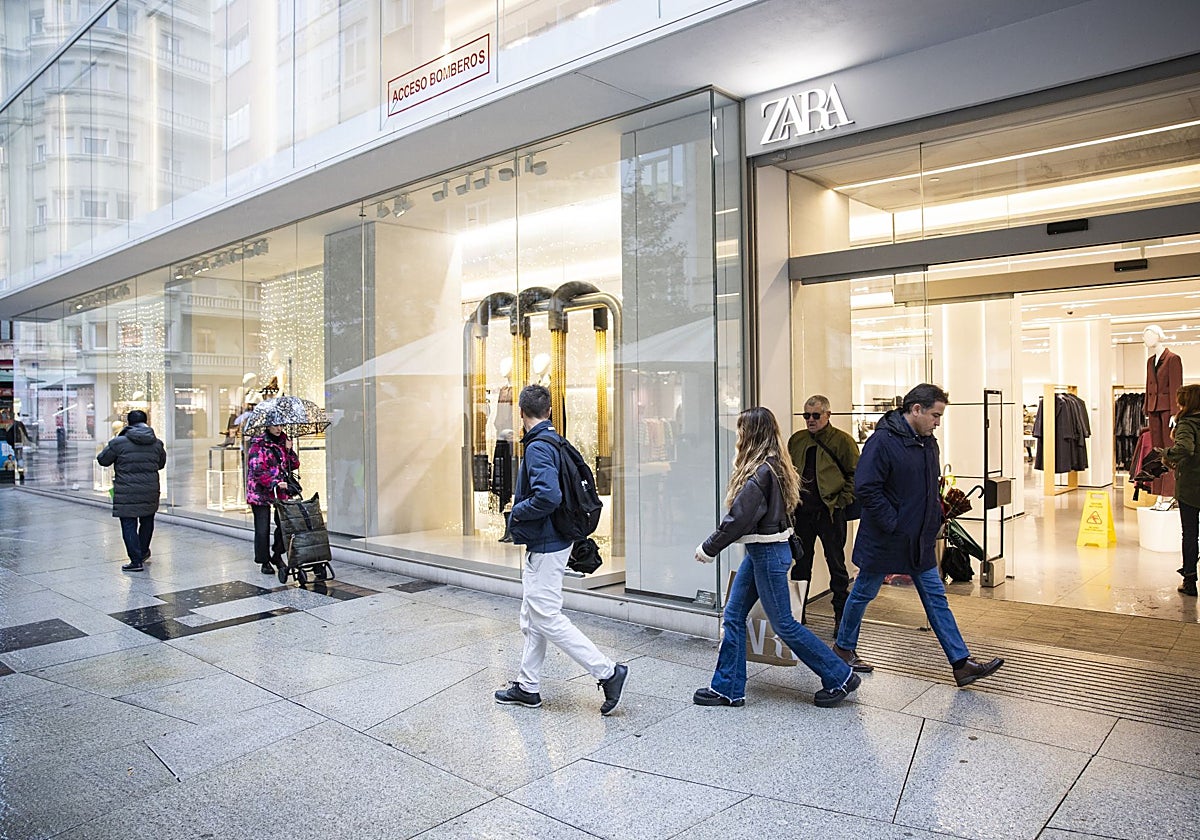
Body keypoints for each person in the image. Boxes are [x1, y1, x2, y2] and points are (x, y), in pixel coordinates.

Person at [834, 384, 1004, 686]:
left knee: (936, 598)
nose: (937, 422)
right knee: (863, 593)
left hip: (918, 540)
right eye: (935, 415)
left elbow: (928, 487)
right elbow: (866, 488)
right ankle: (843, 648)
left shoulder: (928, 443)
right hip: (887, 539)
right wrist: (894, 522)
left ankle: (961, 663)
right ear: (916, 410)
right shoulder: (882, 441)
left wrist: (936, 516)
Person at [693, 406, 859, 708]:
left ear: (751, 434)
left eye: (741, 430)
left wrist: (708, 548)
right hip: (764, 551)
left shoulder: (760, 473)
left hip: (767, 553)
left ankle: (840, 675)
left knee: (784, 624)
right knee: (733, 615)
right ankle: (728, 688)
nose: (738, 436)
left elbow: (738, 519)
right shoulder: (776, 465)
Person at [494, 384, 629, 715]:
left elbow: (549, 495)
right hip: (555, 540)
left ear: (521, 413)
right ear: (550, 411)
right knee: (533, 618)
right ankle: (528, 687)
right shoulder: (556, 441)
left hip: (546, 543)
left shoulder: (538, 448)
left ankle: (607, 671)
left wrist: (517, 511)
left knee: (546, 616)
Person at [786, 394, 860, 633]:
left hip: (830, 513)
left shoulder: (842, 441)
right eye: (806, 415)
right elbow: (788, 471)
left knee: (837, 567)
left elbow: (856, 475)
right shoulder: (797, 440)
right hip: (802, 514)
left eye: (816, 415)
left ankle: (841, 619)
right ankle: (797, 616)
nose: (810, 419)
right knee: (800, 566)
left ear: (828, 415)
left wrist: (841, 501)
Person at [96, 410, 166, 572]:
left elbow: (103, 460)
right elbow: (160, 464)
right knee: (147, 521)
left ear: (129, 423)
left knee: (128, 523)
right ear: (146, 421)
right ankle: (143, 552)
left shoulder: (118, 443)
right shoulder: (157, 443)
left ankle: (135, 561)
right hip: (149, 488)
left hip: (126, 490)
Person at [246, 418, 300, 575]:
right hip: (260, 492)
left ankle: (277, 554)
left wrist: (289, 450)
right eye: (275, 425)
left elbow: (294, 465)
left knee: (284, 525)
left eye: (281, 425)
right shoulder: (258, 445)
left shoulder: (283, 442)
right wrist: (274, 482)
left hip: (280, 491)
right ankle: (264, 561)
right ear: (268, 426)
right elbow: (257, 469)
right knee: (262, 529)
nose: (279, 428)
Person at [1161, 384, 1200, 596]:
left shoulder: (1186, 423)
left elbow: (1185, 448)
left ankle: (1190, 580)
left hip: (1191, 487)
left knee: (1190, 533)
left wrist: (1167, 454)